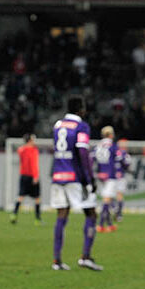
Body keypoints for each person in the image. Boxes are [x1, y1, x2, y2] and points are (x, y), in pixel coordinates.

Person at [50, 95, 102, 271]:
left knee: (61, 216)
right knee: (91, 214)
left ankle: (57, 261)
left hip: (58, 176)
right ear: (81, 109)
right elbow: (82, 152)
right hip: (75, 177)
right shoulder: (82, 126)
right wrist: (89, 179)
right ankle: (85, 257)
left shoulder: (58, 125)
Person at [10, 133, 41, 224]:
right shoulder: (33, 150)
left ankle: (14, 214)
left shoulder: (21, 150)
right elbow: (34, 164)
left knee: (21, 196)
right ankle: (37, 219)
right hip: (32, 176)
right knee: (37, 198)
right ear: (30, 140)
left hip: (23, 176)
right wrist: (35, 176)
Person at [94, 126, 118, 233]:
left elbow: (92, 158)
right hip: (110, 175)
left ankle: (110, 224)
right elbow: (119, 158)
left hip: (101, 175)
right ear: (111, 135)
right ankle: (100, 225)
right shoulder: (112, 146)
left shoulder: (98, 145)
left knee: (107, 199)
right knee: (106, 201)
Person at [114, 138, 132, 221]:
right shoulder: (113, 152)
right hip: (112, 177)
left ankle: (119, 213)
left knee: (119, 195)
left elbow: (127, 165)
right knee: (111, 195)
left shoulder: (125, 155)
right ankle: (114, 211)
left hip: (120, 177)